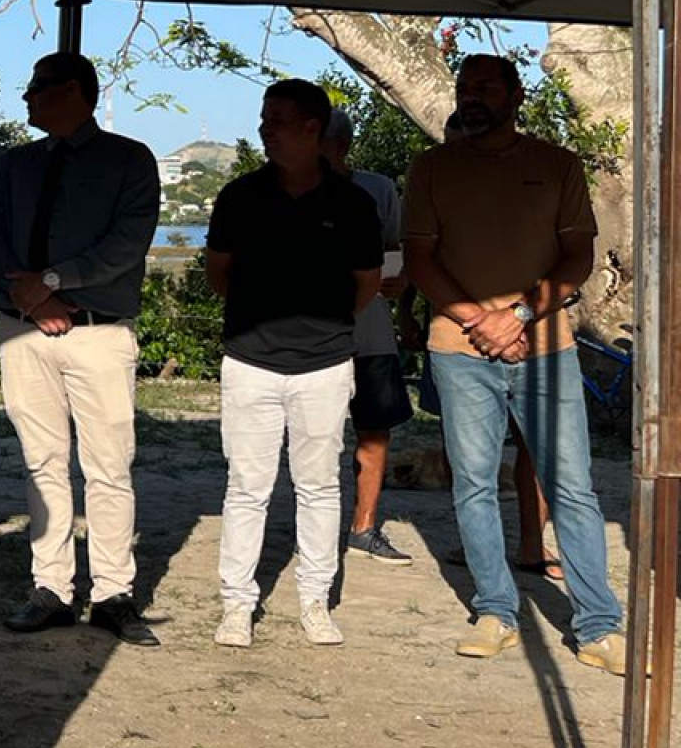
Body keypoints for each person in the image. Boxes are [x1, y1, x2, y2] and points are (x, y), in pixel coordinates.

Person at [401, 53, 627, 671]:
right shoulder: (432, 168)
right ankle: (496, 610)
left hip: (546, 350)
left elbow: (576, 257)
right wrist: (481, 320)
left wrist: (518, 317)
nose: (470, 97)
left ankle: (598, 626)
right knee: (474, 486)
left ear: (515, 95)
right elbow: (421, 259)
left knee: (573, 488)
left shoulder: (557, 165)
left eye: (484, 87)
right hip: (460, 351)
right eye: (462, 87)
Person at [0, 51, 161, 642]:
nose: (27, 99)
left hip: (99, 333)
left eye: (37, 88)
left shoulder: (129, 161)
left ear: (74, 92)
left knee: (108, 467)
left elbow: (126, 245)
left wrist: (53, 284)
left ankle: (113, 592)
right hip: (24, 332)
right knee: (42, 462)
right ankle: (51, 586)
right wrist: (33, 301)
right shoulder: (15, 164)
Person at [206, 79, 383, 650]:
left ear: (313, 130)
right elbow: (219, 274)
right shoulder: (239, 196)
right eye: (264, 118)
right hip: (250, 363)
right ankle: (237, 603)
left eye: (277, 119)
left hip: (325, 365)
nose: (265, 128)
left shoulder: (353, 203)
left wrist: (322, 329)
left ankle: (315, 599)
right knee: (246, 487)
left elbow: (367, 283)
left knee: (319, 487)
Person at [324, 108, 414, 564]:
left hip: (373, 333)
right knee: (315, 438)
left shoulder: (378, 188)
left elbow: (397, 250)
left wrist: (401, 291)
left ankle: (364, 525)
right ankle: (317, 530)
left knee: (374, 431)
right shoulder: (289, 192)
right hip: (315, 338)